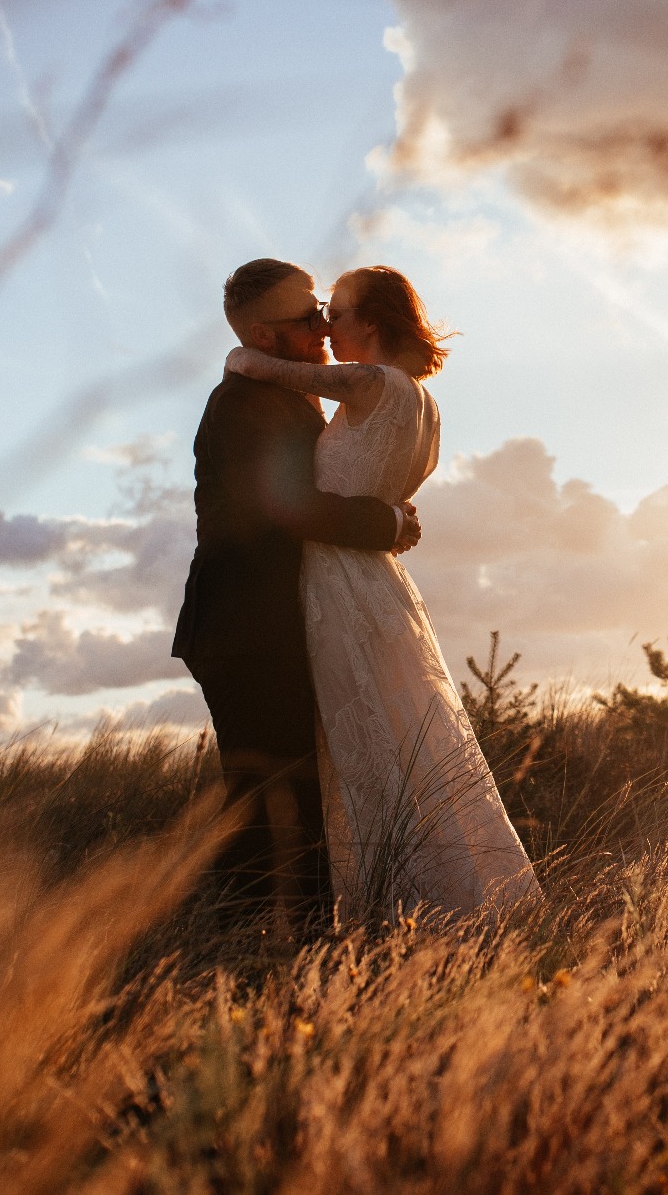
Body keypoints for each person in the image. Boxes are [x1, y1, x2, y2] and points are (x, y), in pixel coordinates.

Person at [223, 264, 540, 915]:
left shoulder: (366, 383)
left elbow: (268, 369)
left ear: (370, 321)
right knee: (396, 736)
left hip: (337, 579)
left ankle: (387, 900)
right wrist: (390, 521)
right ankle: (433, 890)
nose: (325, 325)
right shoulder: (426, 406)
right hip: (379, 580)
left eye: (333, 313)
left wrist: (240, 347)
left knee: (356, 746)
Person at [171, 258, 421, 928]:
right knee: (272, 801)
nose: (320, 326)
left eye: (320, 311)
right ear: (259, 333)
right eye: (304, 318)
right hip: (245, 629)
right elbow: (290, 507)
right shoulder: (244, 403)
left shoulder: (283, 388)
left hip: (272, 623)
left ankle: (289, 939)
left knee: (288, 795)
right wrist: (386, 523)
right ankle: (256, 951)